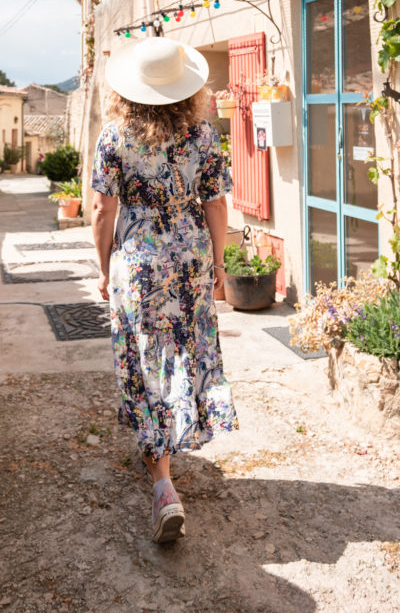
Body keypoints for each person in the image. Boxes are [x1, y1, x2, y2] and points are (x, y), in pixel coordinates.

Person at [90, 36, 238, 543]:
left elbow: (101, 210)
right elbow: (216, 205)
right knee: (181, 352)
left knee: (147, 359)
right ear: (185, 89)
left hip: (139, 265)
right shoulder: (203, 136)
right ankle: (169, 453)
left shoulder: (114, 137)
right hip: (190, 258)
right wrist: (218, 264)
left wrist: (104, 265)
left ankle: (163, 484)